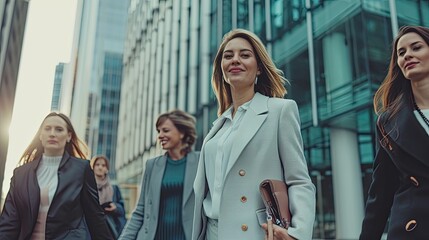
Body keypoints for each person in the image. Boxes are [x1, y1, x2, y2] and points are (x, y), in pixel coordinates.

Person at [191, 28, 316, 240]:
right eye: (228, 56)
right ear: (221, 68)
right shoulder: (218, 126)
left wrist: (298, 233)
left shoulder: (279, 111)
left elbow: (299, 180)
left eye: (245, 55)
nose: (235, 60)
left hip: (254, 234)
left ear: (258, 68)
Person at [360, 25, 429, 239]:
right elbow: (381, 191)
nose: (408, 54)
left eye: (416, 47)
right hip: (415, 227)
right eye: (401, 52)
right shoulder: (389, 122)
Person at [0, 112, 113, 239]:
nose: (52, 133)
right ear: (41, 136)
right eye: (47, 129)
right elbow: (9, 222)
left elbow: (95, 217)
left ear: (69, 136)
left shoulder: (82, 170)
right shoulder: (20, 174)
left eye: (59, 129)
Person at [119, 109, 200, 240]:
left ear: (182, 133)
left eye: (165, 130)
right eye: (159, 131)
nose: (160, 135)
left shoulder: (200, 161)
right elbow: (141, 210)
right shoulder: (152, 165)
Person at [91, 155, 127, 239]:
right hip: (92, 228)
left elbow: (122, 209)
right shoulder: (88, 187)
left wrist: (115, 207)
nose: (100, 167)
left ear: (107, 169)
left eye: (103, 165)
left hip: (110, 228)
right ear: (93, 167)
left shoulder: (114, 188)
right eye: (97, 164)